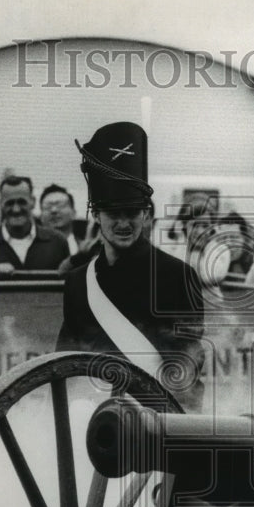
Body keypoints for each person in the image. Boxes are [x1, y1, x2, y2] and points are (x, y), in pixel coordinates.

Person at [56, 122, 206, 412]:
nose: (124, 223)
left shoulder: (177, 275)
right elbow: (64, 363)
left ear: (146, 215)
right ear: (96, 215)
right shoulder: (77, 282)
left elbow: (186, 364)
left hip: (156, 418)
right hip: (91, 417)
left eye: (132, 212)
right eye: (113, 213)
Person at [0, 175, 71, 272]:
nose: (16, 209)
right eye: (9, 203)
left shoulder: (57, 242)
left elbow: (69, 286)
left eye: (22, 202)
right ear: (1, 204)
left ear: (32, 202)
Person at [39, 183, 87, 254]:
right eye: (48, 207)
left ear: (73, 213)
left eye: (60, 205)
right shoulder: (32, 249)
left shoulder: (87, 248)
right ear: (41, 216)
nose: (54, 210)